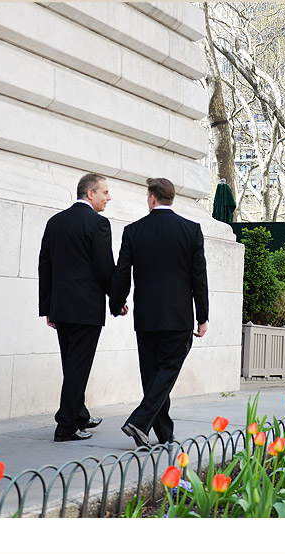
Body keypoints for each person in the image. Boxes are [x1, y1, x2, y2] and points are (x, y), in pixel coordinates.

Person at [110, 178, 209, 447]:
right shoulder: (191, 230)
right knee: (165, 372)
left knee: (154, 374)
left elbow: (122, 273)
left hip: (146, 316)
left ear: (152, 198)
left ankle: (164, 434)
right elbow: (199, 277)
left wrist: (116, 303)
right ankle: (140, 422)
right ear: (170, 198)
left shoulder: (133, 231)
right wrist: (202, 317)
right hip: (178, 316)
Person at [39, 173, 124, 442]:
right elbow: (104, 266)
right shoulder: (98, 223)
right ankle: (65, 425)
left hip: (61, 308)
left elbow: (45, 266)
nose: (108, 197)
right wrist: (117, 299)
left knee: (71, 364)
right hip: (86, 310)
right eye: (104, 192)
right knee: (78, 366)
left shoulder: (55, 222)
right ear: (90, 194)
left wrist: (48, 307)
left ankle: (79, 414)